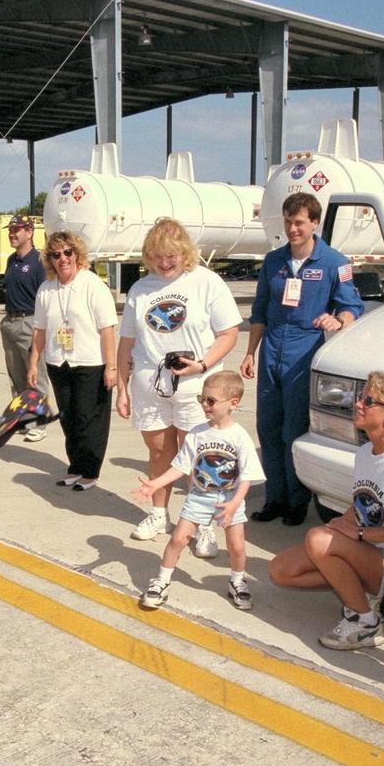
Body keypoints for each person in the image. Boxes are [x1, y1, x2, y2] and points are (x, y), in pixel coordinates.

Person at [269, 372, 384, 650]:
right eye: (360, 397)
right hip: (370, 551)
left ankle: (366, 622)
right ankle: (360, 596)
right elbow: (365, 503)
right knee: (281, 570)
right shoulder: (365, 453)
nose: (358, 404)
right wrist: (343, 523)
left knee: (317, 540)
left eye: (368, 400)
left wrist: (358, 533)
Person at [116, 218, 242, 556]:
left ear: (184, 251)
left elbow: (229, 333)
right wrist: (122, 387)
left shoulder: (206, 282)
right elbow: (127, 341)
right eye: (157, 255)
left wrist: (201, 365)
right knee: (159, 452)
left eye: (171, 254)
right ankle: (158, 514)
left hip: (196, 387)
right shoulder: (141, 289)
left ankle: (202, 525)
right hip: (151, 384)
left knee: (198, 456)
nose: (165, 262)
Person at [241, 192, 363, 527]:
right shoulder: (273, 262)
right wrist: (251, 352)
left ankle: (297, 501)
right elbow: (259, 311)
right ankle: (274, 498)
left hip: (304, 347)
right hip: (271, 348)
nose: (292, 229)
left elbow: (352, 305)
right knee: (268, 427)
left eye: (299, 222)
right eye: (288, 222)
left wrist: (338, 322)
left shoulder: (334, 262)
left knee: (293, 429)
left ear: (314, 222)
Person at [134, 371, 264, 610]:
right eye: (201, 399)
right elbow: (180, 466)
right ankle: (161, 580)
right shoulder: (197, 433)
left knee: (237, 546)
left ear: (233, 403)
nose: (205, 405)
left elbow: (247, 476)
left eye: (211, 401)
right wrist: (156, 483)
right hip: (199, 497)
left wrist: (235, 503)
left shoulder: (240, 437)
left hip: (229, 499)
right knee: (177, 539)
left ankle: (237, 581)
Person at [26, 230, 116, 490]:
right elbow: (40, 330)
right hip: (59, 362)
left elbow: (107, 329)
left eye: (68, 253)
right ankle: (75, 466)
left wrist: (111, 367)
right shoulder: (46, 288)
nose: (62, 259)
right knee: (69, 417)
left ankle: (90, 470)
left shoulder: (92, 285)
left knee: (90, 418)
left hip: (90, 362)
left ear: (77, 255)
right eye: (56, 255)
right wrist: (33, 363)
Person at [0, 214, 51, 443]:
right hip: (10, 322)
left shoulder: (39, 260)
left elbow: (46, 296)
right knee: (17, 375)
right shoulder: (12, 260)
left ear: (29, 232)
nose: (12, 233)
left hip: (30, 321)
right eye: (10, 229)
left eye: (17, 229)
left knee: (34, 375)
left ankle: (39, 422)